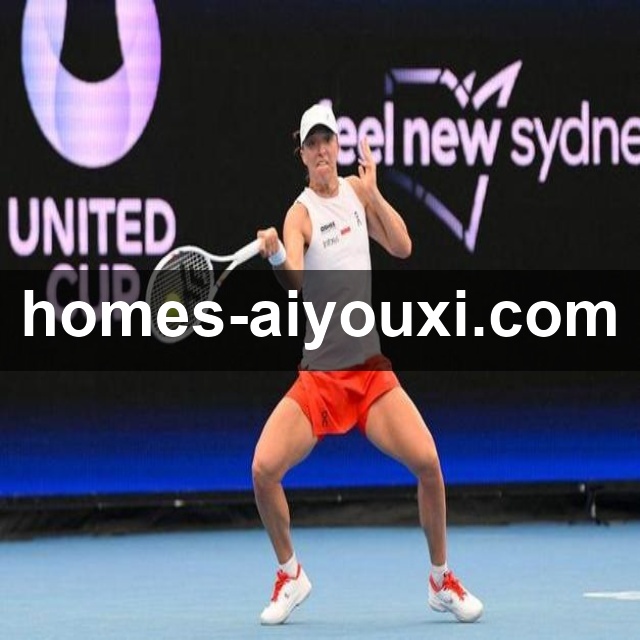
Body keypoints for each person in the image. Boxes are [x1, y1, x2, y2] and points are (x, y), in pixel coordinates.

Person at [253, 103, 483, 625]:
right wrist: (276, 254)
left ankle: (441, 579)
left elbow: (402, 246)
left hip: (370, 374)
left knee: (428, 463)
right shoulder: (299, 214)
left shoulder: (358, 193)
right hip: (320, 379)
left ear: (337, 146)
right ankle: (290, 574)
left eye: (327, 142)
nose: (321, 152)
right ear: (302, 154)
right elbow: (294, 282)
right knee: (263, 470)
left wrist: (374, 192)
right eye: (311, 145)